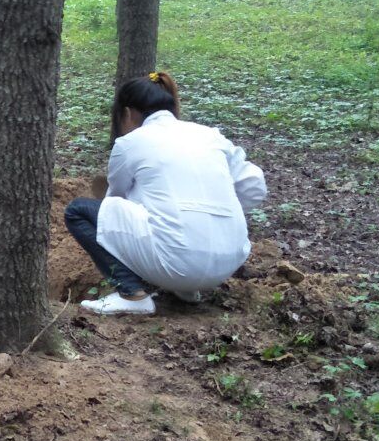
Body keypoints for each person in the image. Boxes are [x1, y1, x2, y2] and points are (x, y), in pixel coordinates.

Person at [65, 71, 267, 315]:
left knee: (78, 211)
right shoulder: (211, 136)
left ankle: (131, 294)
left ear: (127, 113)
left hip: (176, 261)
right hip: (229, 261)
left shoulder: (130, 143)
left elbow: (115, 201)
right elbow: (254, 186)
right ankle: (184, 288)